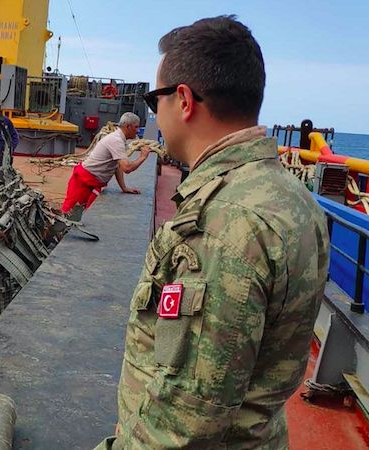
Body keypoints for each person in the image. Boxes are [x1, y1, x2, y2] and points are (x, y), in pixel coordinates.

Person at [99, 16, 329, 449]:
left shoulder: (222, 226)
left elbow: (185, 425)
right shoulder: (294, 198)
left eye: (155, 99)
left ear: (183, 100)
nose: (156, 114)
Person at [60, 112, 150, 219]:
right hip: (83, 182)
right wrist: (142, 157)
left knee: (81, 215)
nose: (138, 130)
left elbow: (117, 166)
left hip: (91, 181)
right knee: (69, 215)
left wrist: (124, 188)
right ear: (128, 127)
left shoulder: (119, 139)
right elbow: (126, 168)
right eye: (136, 127)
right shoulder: (116, 141)